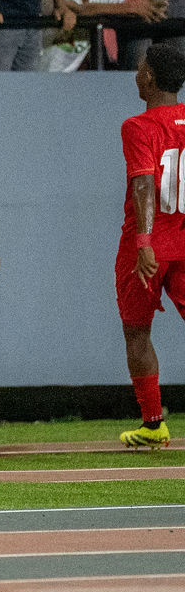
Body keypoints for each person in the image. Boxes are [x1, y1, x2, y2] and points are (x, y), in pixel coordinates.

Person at [115, 42, 185, 449]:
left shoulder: (137, 126)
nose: (137, 74)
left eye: (141, 68)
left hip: (146, 248)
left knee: (137, 332)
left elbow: (143, 184)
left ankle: (154, 425)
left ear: (151, 77)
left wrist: (144, 242)